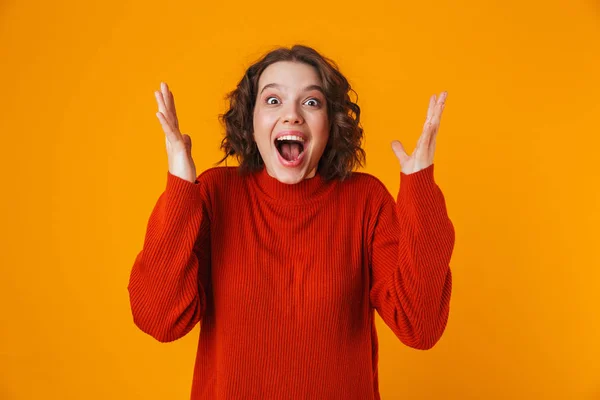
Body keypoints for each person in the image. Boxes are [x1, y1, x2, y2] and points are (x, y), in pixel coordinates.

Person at [127, 44, 455, 400]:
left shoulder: (366, 201)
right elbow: (159, 319)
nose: (292, 115)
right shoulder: (215, 194)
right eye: (273, 101)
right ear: (250, 123)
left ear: (331, 125)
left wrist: (420, 186)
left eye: (311, 102)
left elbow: (420, 327)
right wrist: (180, 186)